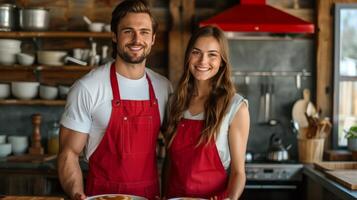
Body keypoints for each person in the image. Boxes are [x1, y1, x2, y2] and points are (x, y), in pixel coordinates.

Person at [57, 1, 172, 200]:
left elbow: (175, 148)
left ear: (153, 39)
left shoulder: (164, 87)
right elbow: (69, 154)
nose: (137, 39)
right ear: (114, 36)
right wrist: (76, 193)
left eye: (144, 32)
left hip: (150, 195)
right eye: (128, 31)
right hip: (102, 196)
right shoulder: (88, 87)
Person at [162, 26, 250, 200]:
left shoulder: (235, 106)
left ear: (222, 61)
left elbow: (238, 172)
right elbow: (169, 162)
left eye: (212, 55)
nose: (203, 61)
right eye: (196, 52)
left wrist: (230, 199)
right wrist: (164, 194)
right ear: (188, 56)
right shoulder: (175, 101)